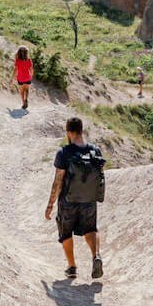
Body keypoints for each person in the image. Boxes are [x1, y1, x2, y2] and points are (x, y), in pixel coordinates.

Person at [44, 117, 105, 279]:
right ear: (81, 130)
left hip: (68, 202)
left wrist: (50, 205)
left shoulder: (64, 153)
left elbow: (58, 182)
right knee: (91, 229)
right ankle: (96, 256)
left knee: (66, 233)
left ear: (70, 132)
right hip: (89, 200)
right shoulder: (95, 151)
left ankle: (72, 267)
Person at [14, 46, 33, 111]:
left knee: (22, 91)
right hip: (28, 77)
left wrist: (12, 78)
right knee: (27, 90)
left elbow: (15, 70)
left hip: (20, 78)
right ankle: (26, 98)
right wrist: (31, 76)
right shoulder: (29, 60)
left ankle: (23, 103)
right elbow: (31, 69)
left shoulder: (17, 60)